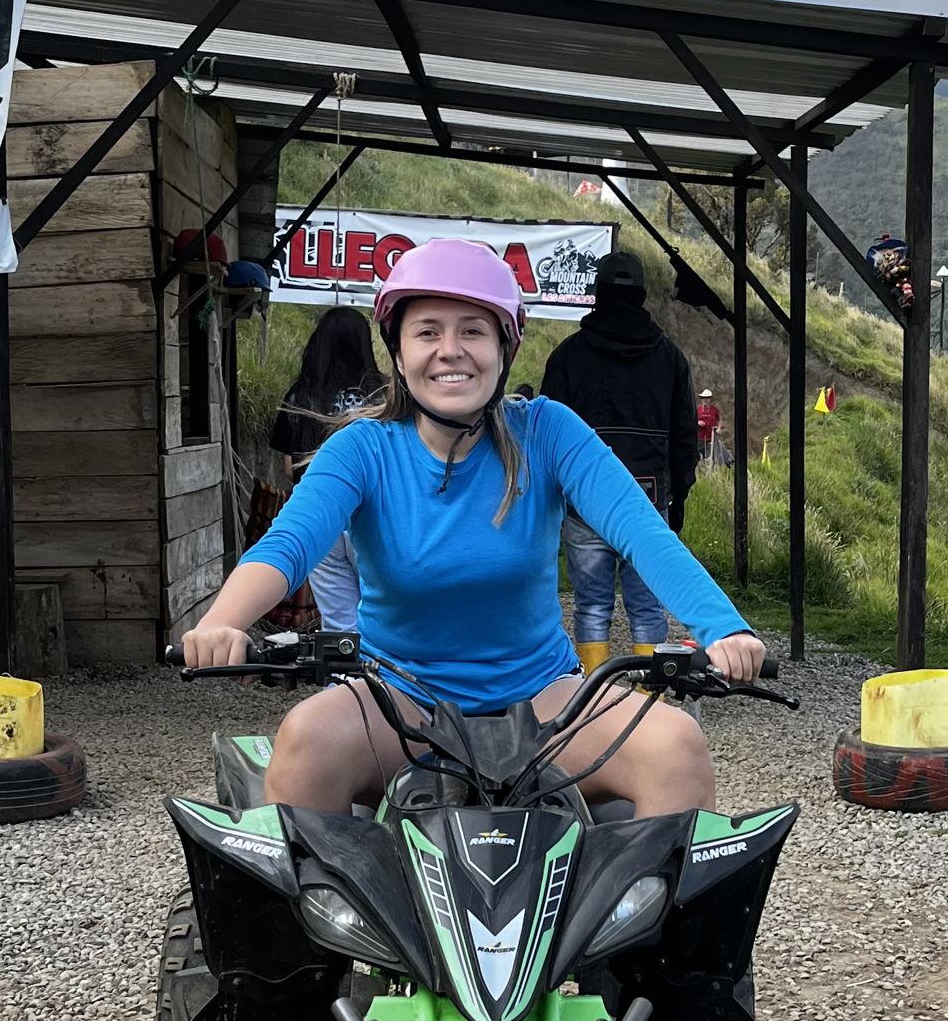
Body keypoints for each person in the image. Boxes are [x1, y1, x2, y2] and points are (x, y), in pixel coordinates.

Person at [181, 239, 765, 819]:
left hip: (542, 697)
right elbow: (288, 546)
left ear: (505, 346)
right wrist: (221, 623)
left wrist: (722, 628)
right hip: (399, 699)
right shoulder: (362, 450)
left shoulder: (548, 432)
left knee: (676, 747)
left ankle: (644, 914)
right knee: (305, 743)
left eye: (473, 331)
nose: (450, 351)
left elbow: (642, 532)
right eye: (428, 331)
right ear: (399, 349)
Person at [539, 248, 699, 669]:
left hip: (583, 502)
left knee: (591, 604)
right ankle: (653, 696)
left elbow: (546, 435)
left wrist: (549, 501)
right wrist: (679, 494)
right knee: (647, 606)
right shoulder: (669, 357)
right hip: (648, 498)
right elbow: (685, 433)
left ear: (597, 293)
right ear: (643, 294)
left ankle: (593, 694)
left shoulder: (568, 355)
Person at [267, 305, 385, 631]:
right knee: (389, 617)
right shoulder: (387, 395)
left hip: (321, 521)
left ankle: (347, 679)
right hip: (380, 518)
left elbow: (288, 465)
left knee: (339, 624)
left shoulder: (300, 396)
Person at [695, 388, 722, 464]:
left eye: (707, 398)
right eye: (703, 398)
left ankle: (712, 471)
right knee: (699, 456)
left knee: (713, 456)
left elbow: (720, 419)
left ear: (710, 399)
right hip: (700, 438)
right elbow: (691, 420)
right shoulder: (697, 409)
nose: (705, 400)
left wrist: (719, 428)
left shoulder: (714, 410)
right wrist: (697, 422)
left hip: (711, 439)